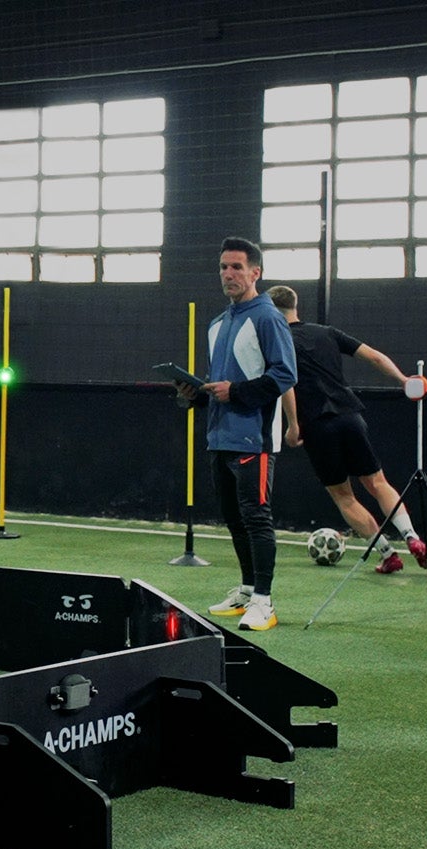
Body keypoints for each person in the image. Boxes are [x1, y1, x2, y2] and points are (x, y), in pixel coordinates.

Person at [267, 284, 427, 575]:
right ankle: (412, 537)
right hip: (350, 416)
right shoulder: (327, 332)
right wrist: (403, 379)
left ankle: (387, 553)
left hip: (318, 426)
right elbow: (375, 357)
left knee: (344, 497)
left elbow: (287, 384)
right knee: (378, 483)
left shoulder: (278, 343)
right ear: (296, 307)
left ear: (271, 312)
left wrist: (293, 425)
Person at [178, 237, 297, 632]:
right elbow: (222, 384)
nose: (228, 274)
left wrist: (237, 392)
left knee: (256, 517)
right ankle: (248, 589)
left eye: (236, 267)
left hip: (255, 439)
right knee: (234, 518)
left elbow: (285, 375)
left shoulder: (268, 317)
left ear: (255, 273)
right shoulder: (218, 323)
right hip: (220, 436)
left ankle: (265, 601)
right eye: (223, 268)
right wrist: (196, 395)